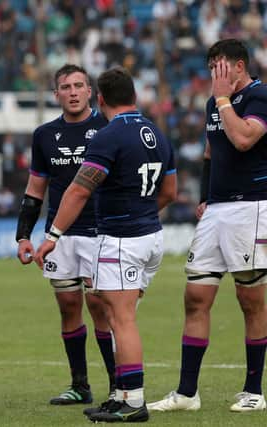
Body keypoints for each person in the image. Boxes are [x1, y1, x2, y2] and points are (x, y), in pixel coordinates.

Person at [35, 67, 176, 423]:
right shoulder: (156, 133)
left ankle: (133, 401)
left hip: (121, 239)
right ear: (135, 96)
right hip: (151, 236)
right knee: (118, 316)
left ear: (99, 99)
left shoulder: (108, 136)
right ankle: (122, 396)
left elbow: (80, 189)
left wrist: (52, 236)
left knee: (121, 320)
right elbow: (171, 192)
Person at [149, 38, 267, 413]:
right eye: (211, 65)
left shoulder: (259, 97)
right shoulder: (212, 103)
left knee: (250, 300)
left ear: (239, 66)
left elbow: (244, 138)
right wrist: (204, 195)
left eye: (220, 65)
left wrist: (221, 100)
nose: (214, 72)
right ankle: (187, 393)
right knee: (195, 296)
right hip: (217, 210)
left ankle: (253, 391)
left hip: (251, 208)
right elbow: (210, 152)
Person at [16, 64, 115, 405]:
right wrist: (23, 235)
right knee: (68, 306)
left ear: (90, 92)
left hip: (101, 232)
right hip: (59, 236)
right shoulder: (44, 135)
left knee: (100, 306)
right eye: (65, 87)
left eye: (78, 86)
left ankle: (119, 385)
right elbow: (35, 189)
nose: (72, 92)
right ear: (56, 94)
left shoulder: (107, 127)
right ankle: (80, 385)